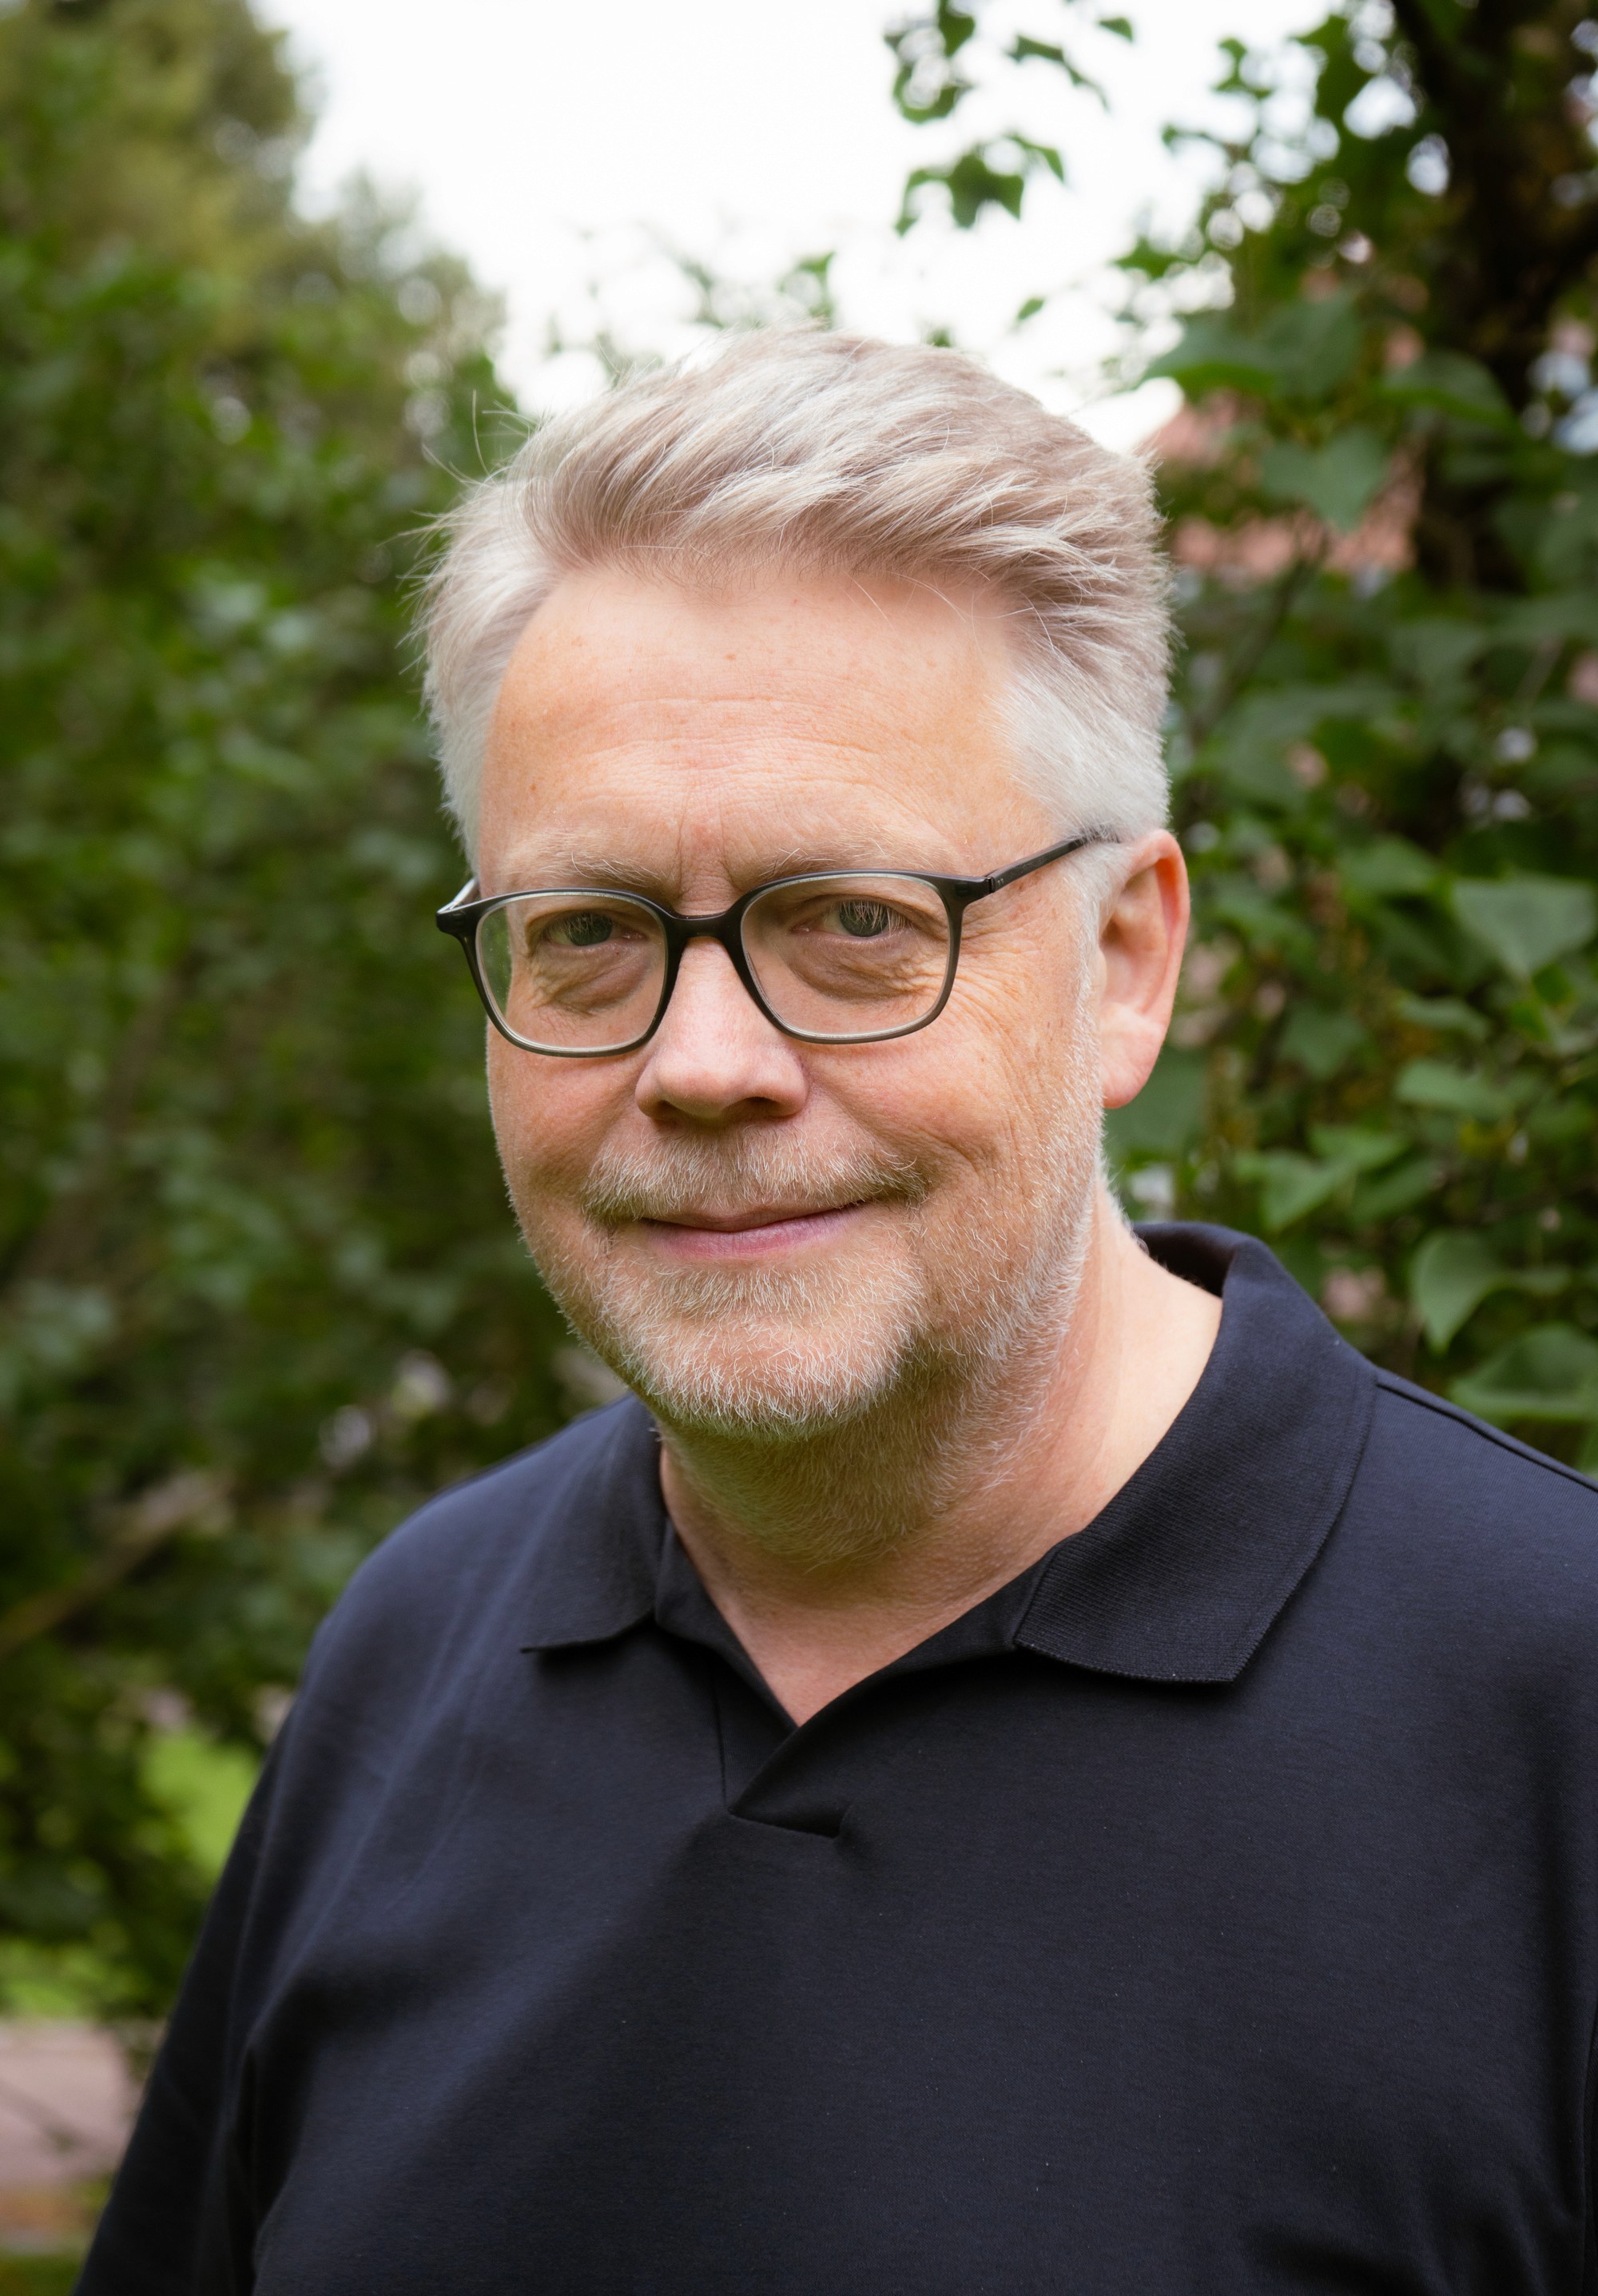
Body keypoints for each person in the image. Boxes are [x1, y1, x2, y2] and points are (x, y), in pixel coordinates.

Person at [81, 332, 1598, 2295]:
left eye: (857, 923)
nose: (704, 1066)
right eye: (591, 933)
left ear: (1127, 962)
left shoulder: (1549, 1714)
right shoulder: (417, 1650)